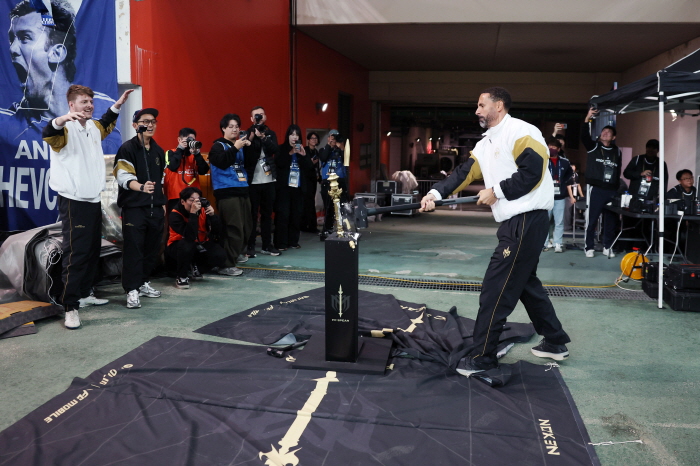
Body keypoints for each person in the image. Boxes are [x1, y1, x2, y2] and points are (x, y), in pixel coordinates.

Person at [420, 87, 571, 377]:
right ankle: (555, 340)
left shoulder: (522, 131)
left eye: (481, 105)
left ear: (498, 106)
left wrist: (497, 191)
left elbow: (532, 172)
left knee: (496, 288)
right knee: (524, 283)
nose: (477, 110)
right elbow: (464, 172)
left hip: (526, 219)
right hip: (516, 222)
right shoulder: (486, 142)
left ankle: (483, 358)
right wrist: (435, 194)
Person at [42, 85, 133, 329]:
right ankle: (70, 307)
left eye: (91, 101)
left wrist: (118, 104)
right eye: (84, 102)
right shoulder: (64, 129)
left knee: (92, 251)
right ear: (71, 105)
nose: (89, 105)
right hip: (74, 201)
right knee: (77, 254)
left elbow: (107, 122)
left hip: (93, 199)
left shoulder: (93, 127)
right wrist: (61, 119)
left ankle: (84, 294)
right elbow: (49, 133)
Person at [3, 0, 121, 153]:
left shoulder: (102, 109)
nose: (12, 49)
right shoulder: (7, 122)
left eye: (25, 37)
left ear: (57, 53)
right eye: (11, 39)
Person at [113, 108, 166, 309]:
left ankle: (143, 282)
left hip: (155, 208)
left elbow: (161, 180)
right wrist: (142, 188)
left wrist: (161, 204)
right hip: (134, 208)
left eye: (153, 121)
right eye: (145, 121)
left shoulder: (158, 151)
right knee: (133, 250)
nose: (150, 125)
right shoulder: (127, 149)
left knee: (151, 249)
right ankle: (131, 289)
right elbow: (123, 178)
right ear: (135, 125)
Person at [208, 113, 253, 276]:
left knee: (247, 227)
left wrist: (250, 145)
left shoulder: (240, 145)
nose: (235, 129)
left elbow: (250, 164)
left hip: (243, 190)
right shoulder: (218, 146)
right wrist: (235, 148)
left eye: (237, 126)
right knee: (234, 228)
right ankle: (226, 264)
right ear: (223, 129)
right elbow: (221, 162)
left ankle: (236, 253)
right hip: (227, 193)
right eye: (231, 126)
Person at [582, 107, 622, 258]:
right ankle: (589, 247)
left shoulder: (617, 151)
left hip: (611, 190)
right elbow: (584, 136)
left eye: (608, 132)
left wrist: (616, 188)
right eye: (603, 131)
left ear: (613, 137)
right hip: (596, 189)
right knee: (592, 219)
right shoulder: (594, 147)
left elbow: (618, 170)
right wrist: (587, 118)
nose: (605, 133)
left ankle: (607, 246)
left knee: (610, 220)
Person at [166, 187, 226, 289]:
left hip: (199, 243)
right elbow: (189, 236)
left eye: (197, 200)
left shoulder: (203, 210)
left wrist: (213, 216)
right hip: (178, 246)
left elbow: (217, 232)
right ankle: (182, 277)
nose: (195, 203)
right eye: (191, 200)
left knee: (220, 255)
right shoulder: (175, 214)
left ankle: (196, 267)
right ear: (183, 201)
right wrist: (193, 214)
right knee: (187, 245)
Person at [243, 106, 280, 257]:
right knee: (252, 214)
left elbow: (275, 150)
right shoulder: (247, 134)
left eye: (262, 115)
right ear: (251, 119)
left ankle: (267, 245)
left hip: (269, 179)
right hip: (253, 181)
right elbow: (246, 155)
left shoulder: (270, 133)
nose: (259, 117)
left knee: (267, 214)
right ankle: (250, 245)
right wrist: (252, 138)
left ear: (265, 117)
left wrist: (264, 137)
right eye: (256, 115)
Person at [274, 124, 312, 250]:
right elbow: (279, 163)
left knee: (296, 215)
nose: (294, 137)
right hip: (284, 188)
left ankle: (293, 241)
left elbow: (309, 168)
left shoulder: (302, 150)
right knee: (283, 215)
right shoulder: (281, 149)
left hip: (298, 187)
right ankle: (281, 243)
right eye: (292, 134)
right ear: (288, 136)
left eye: (297, 135)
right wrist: (290, 153)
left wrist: (304, 155)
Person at [163, 128, 209, 213]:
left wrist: (197, 154)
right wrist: (180, 149)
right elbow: (172, 166)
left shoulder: (194, 155)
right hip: (176, 196)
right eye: (188, 139)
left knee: (195, 220)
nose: (190, 142)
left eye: (192, 140)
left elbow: (203, 171)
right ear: (179, 140)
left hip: (194, 197)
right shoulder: (170, 152)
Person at [543, 138, 573, 253]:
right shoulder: (544, 160)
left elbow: (569, 174)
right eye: (549, 147)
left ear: (558, 149)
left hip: (560, 197)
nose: (551, 149)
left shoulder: (564, 162)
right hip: (546, 196)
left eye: (554, 147)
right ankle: (544, 243)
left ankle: (558, 243)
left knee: (559, 221)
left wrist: (563, 182)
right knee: (545, 221)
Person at [319, 130, 348, 240]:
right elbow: (323, 157)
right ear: (328, 138)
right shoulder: (323, 149)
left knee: (343, 206)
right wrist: (329, 145)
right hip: (327, 181)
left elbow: (346, 160)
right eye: (332, 137)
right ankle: (327, 230)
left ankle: (344, 229)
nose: (334, 139)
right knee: (329, 207)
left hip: (340, 180)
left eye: (335, 137)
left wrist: (341, 147)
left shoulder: (341, 150)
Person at [300, 131, 321, 232]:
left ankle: (308, 225)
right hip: (305, 179)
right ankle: (310, 226)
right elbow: (303, 166)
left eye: (315, 138)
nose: (314, 140)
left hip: (313, 179)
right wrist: (311, 163)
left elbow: (316, 168)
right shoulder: (305, 150)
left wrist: (319, 177)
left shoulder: (316, 151)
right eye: (312, 138)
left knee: (310, 201)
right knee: (308, 202)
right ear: (308, 140)